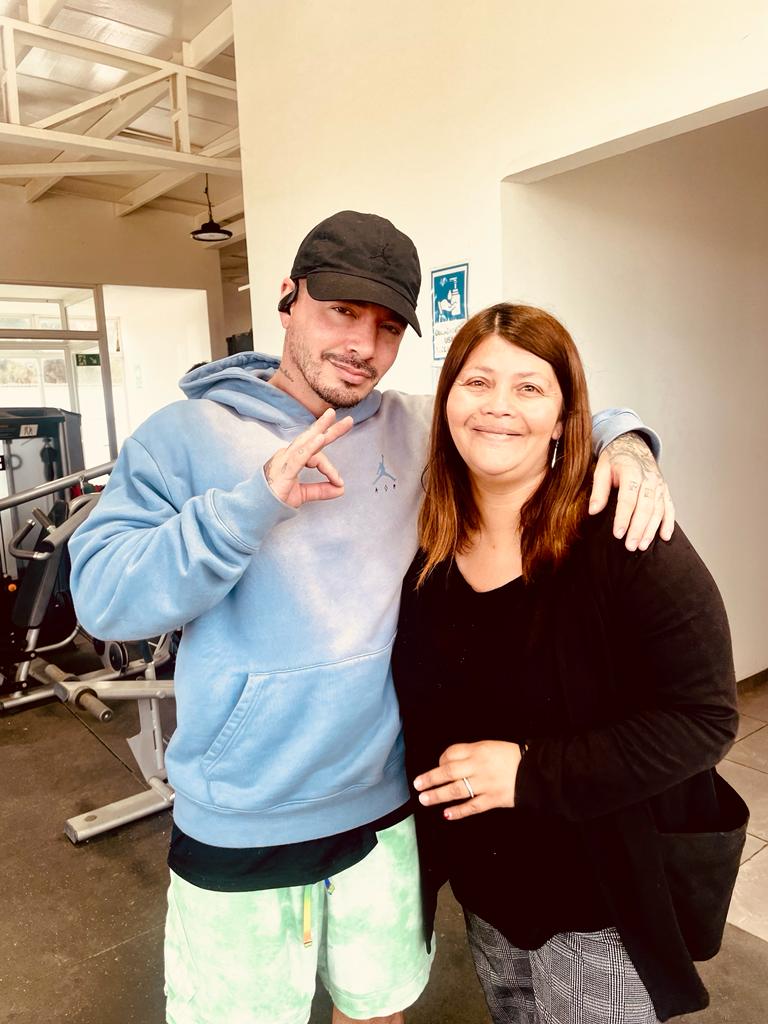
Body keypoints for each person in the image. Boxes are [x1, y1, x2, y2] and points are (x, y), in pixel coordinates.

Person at [69, 212, 672, 1024]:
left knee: (377, 1014)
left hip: (383, 810)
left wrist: (628, 443)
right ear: (288, 299)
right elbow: (104, 599)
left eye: (387, 327)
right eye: (342, 313)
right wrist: (247, 508)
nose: (363, 345)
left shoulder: (413, 428)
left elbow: (525, 411)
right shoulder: (179, 437)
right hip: (241, 813)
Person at [391, 302, 744, 1024]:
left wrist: (531, 772)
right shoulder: (429, 548)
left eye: (529, 387)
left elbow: (705, 719)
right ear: (447, 401)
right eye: (477, 382)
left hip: (600, 900)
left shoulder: (624, 536)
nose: (498, 405)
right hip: (489, 893)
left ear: (562, 419)